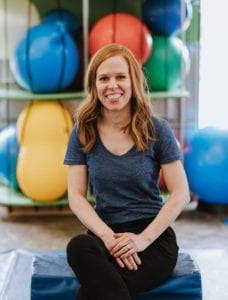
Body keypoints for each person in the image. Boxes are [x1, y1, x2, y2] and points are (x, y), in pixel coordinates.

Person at [64, 43, 190, 300]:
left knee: (88, 293)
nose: (112, 85)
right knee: (78, 247)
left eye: (120, 77)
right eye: (104, 78)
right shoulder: (83, 131)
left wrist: (141, 240)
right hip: (104, 235)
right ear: (94, 85)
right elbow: (76, 196)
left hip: (152, 239)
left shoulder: (157, 129)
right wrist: (109, 239)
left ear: (133, 81)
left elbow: (181, 194)